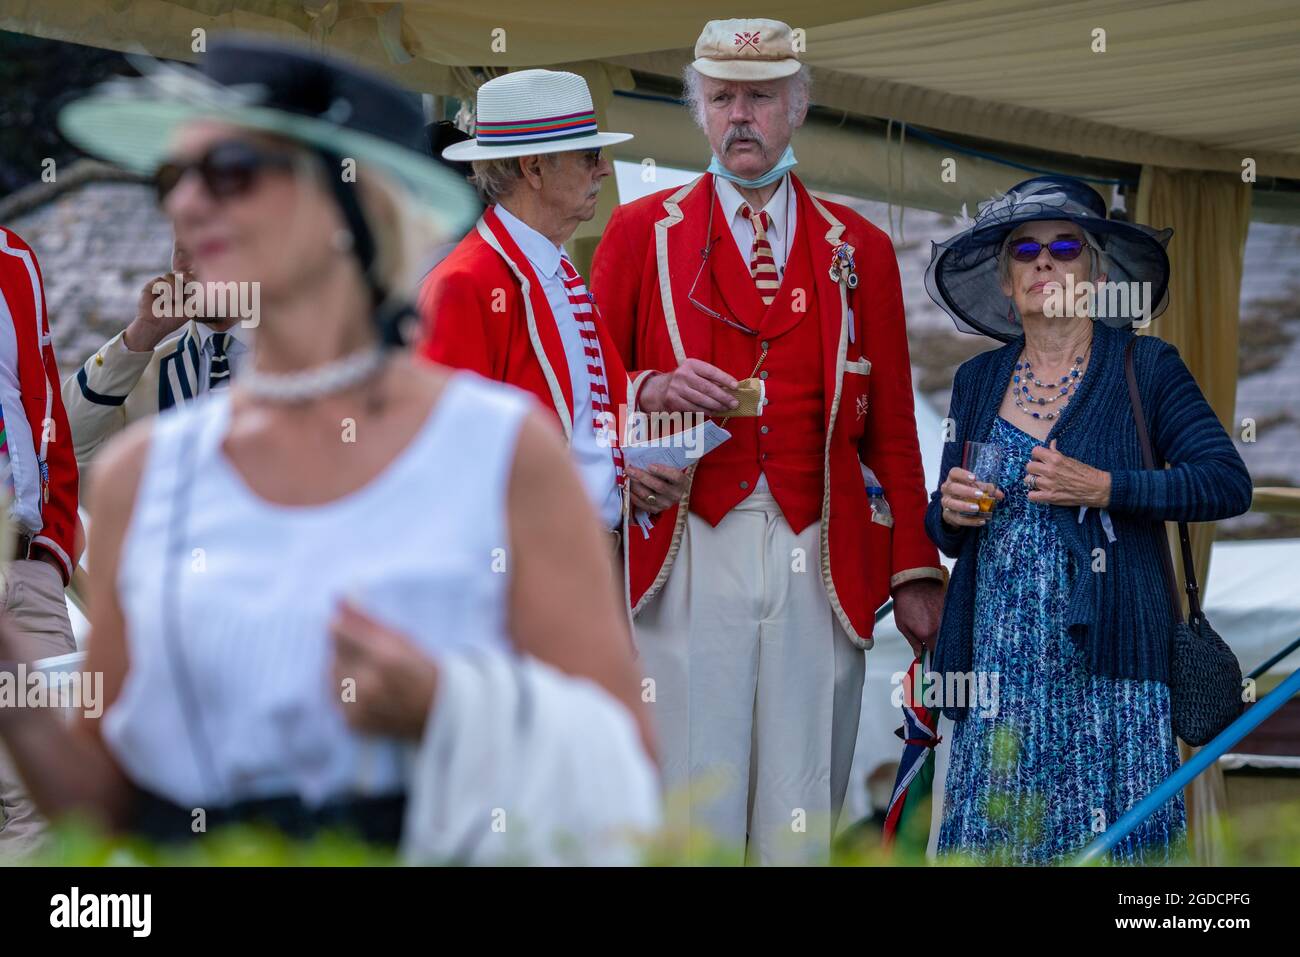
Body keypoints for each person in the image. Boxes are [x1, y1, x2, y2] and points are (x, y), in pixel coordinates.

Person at [0, 35, 659, 865]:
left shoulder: (501, 451)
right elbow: (111, 810)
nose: (190, 204)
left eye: (232, 169)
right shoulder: (145, 478)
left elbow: (629, 772)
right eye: (176, 178)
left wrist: (449, 709)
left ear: (353, 204)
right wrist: (14, 676)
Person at [590, 18, 945, 864]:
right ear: (700, 111)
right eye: (721, 99)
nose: (739, 115)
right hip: (684, 543)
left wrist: (916, 567)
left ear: (797, 107)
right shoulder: (639, 231)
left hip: (818, 544)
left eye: (758, 97)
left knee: (802, 796)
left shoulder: (857, 247)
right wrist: (651, 387)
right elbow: (587, 394)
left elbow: (892, 425)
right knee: (690, 781)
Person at [923, 175, 1253, 863]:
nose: (1045, 261)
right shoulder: (976, 382)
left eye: (1066, 245)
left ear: (1096, 274)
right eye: (1025, 250)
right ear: (1008, 283)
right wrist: (948, 511)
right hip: (999, 673)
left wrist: (1108, 487)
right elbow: (948, 527)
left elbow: (1226, 482)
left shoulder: (1149, 367)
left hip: (1113, 669)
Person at [417, 69, 688, 599]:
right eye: (589, 156)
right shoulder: (465, 282)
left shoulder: (553, 268)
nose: (604, 170)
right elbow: (442, 467)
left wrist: (631, 478)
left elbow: (588, 422)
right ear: (534, 168)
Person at [0, 224, 81, 857]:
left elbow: (43, 394)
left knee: (56, 803)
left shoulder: (14, 257)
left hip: (26, 564)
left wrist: (51, 548)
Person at [62, 237, 252, 491]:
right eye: (181, 251)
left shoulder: (305, 363)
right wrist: (142, 333)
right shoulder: (134, 372)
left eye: (207, 248)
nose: (187, 266)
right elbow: (66, 447)